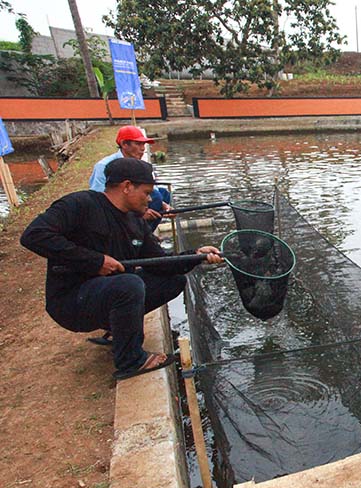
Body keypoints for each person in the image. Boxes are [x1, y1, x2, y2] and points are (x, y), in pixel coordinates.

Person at [21, 158, 223, 380]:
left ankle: (116, 330)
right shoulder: (80, 204)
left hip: (106, 296)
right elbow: (33, 235)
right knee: (129, 284)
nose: (150, 199)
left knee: (174, 280)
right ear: (127, 187)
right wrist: (95, 261)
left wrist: (196, 255)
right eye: (146, 193)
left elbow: (160, 263)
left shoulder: (136, 223)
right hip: (71, 302)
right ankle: (131, 361)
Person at [89, 125, 172, 230]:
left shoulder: (141, 165)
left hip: (134, 202)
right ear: (124, 144)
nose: (142, 149)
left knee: (163, 193)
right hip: (116, 210)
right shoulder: (103, 166)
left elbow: (151, 188)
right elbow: (98, 198)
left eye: (143, 144)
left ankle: (145, 232)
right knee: (156, 196)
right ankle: (136, 234)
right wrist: (136, 216)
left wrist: (165, 206)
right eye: (138, 144)